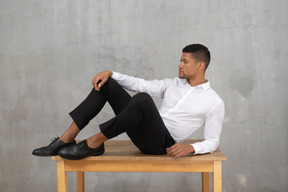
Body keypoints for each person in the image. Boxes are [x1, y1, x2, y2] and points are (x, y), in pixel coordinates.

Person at [32, 44, 225, 160]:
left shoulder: (214, 102)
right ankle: (65, 139)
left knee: (143, 100)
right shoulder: (173, 84)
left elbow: (213, 141)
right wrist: (110, 73)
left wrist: (191, 148)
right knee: (108, 84)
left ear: (200, 65)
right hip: (142, 130)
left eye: (185, 61)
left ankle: (95, 142)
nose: (179, 65)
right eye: (180, 60)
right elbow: (140, 84)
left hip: (161, 145)